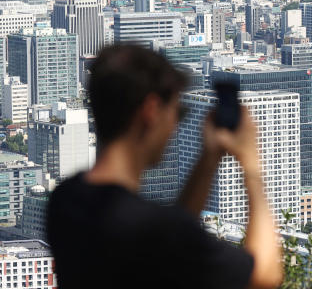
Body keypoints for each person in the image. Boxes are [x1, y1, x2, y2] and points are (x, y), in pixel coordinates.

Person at [47, 45, 283, 289]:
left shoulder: (66, 201)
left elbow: (177, 237)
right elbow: (264, 275)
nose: (175, 125)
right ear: (151, 111)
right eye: (178, 112)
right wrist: (252, 167)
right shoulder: (153, 230)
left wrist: (209, 158)